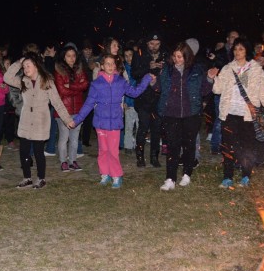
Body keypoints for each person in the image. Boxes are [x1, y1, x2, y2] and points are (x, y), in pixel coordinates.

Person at [71, 54, 154, 189]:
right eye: (107, 64)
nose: (110, 66)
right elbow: (88, 104)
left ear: (115, 65)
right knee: (103, 150)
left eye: (112, 63)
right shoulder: (96, 84)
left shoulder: (120, 82)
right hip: (100, 124)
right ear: (102, 66)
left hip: (115, 123)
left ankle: (116, 175)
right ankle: (105, 174)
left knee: (113, 151)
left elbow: (135, 92)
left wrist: (146, 79)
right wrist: (77, 120)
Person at [209, 37, 264, 189]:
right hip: (229, 113)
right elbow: (217, 90)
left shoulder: (255, 69)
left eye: (241, 49)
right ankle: (227, 177)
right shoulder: (227, 68)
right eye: (235, 49)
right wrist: (214, 78)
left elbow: (263, 93)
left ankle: (245, 175)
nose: (237, 52)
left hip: (248, 115)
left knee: (247, 147)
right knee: (228, 147)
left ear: (247, 51)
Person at [3, 53, 73, 189]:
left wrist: (67, 119)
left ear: (36, 66)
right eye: (24, 66)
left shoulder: (47, 81)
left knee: (38, 152)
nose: (25, 68)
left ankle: (41, 178)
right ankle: (27, 178)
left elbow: (57, 102)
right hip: (25, 121)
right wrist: (18, 62)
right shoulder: (23, 81)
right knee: (24, 151)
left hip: (40, 121)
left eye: (28, 65)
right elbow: (7, 77)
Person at [157, 42, 212, 191]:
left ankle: (187, 174)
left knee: (189, 146)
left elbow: (204, 91)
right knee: (172, 147)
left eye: (180, 56)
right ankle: (170, 179)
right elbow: (160, 89)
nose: (176, 59)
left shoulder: (196, 70)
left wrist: (209, 79)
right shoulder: (167, 71)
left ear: (187, 56)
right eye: (174, 56)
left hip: (191, 114)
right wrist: (153, 82)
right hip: (171, 114)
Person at [131, 32, 168, 167]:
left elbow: (169, 76)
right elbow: (135, 74)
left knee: (156, 129)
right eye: (152, 43)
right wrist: (149, 67)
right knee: (143, 127)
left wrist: (164, 69)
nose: (154, 46)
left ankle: (154, 157)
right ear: (147, 43)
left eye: (157, 43)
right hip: (143, 99)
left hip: (158, 99)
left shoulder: (165, 55)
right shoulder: (139, 54)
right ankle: (140, 157)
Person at [54, 45, 89, 172]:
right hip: (64, 110)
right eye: (68, 56)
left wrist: (71, 86)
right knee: (64, 137)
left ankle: (73, 160)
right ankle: (63, 161)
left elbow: (85, 85)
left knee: (75, 138)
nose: (71, 58)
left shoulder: (79, 69)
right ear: (63, 57)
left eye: (73, 55)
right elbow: (62, 90)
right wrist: (77, 88)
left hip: (78, 109)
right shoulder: (58, 71)